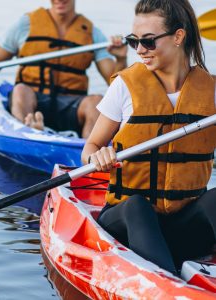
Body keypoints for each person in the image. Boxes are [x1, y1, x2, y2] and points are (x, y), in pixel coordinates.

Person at [81, 0, 216, 276]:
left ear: (178, 37)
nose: (140, 50)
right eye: (134, 41)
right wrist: (98, 156)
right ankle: (166, 284)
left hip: (182, 226)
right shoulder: (124, 87)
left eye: (148, 41)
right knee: (137, 206)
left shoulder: (211, 91)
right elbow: (90, 147)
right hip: (126, 222)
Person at [0, 0, 127, 138]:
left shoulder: (92, 33)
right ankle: (29, 133)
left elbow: (115, 85)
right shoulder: (25, 25)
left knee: (96, 101)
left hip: (71, 106)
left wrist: (120, 58)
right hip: (33, 101)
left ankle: (89, 154)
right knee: (20, 90)